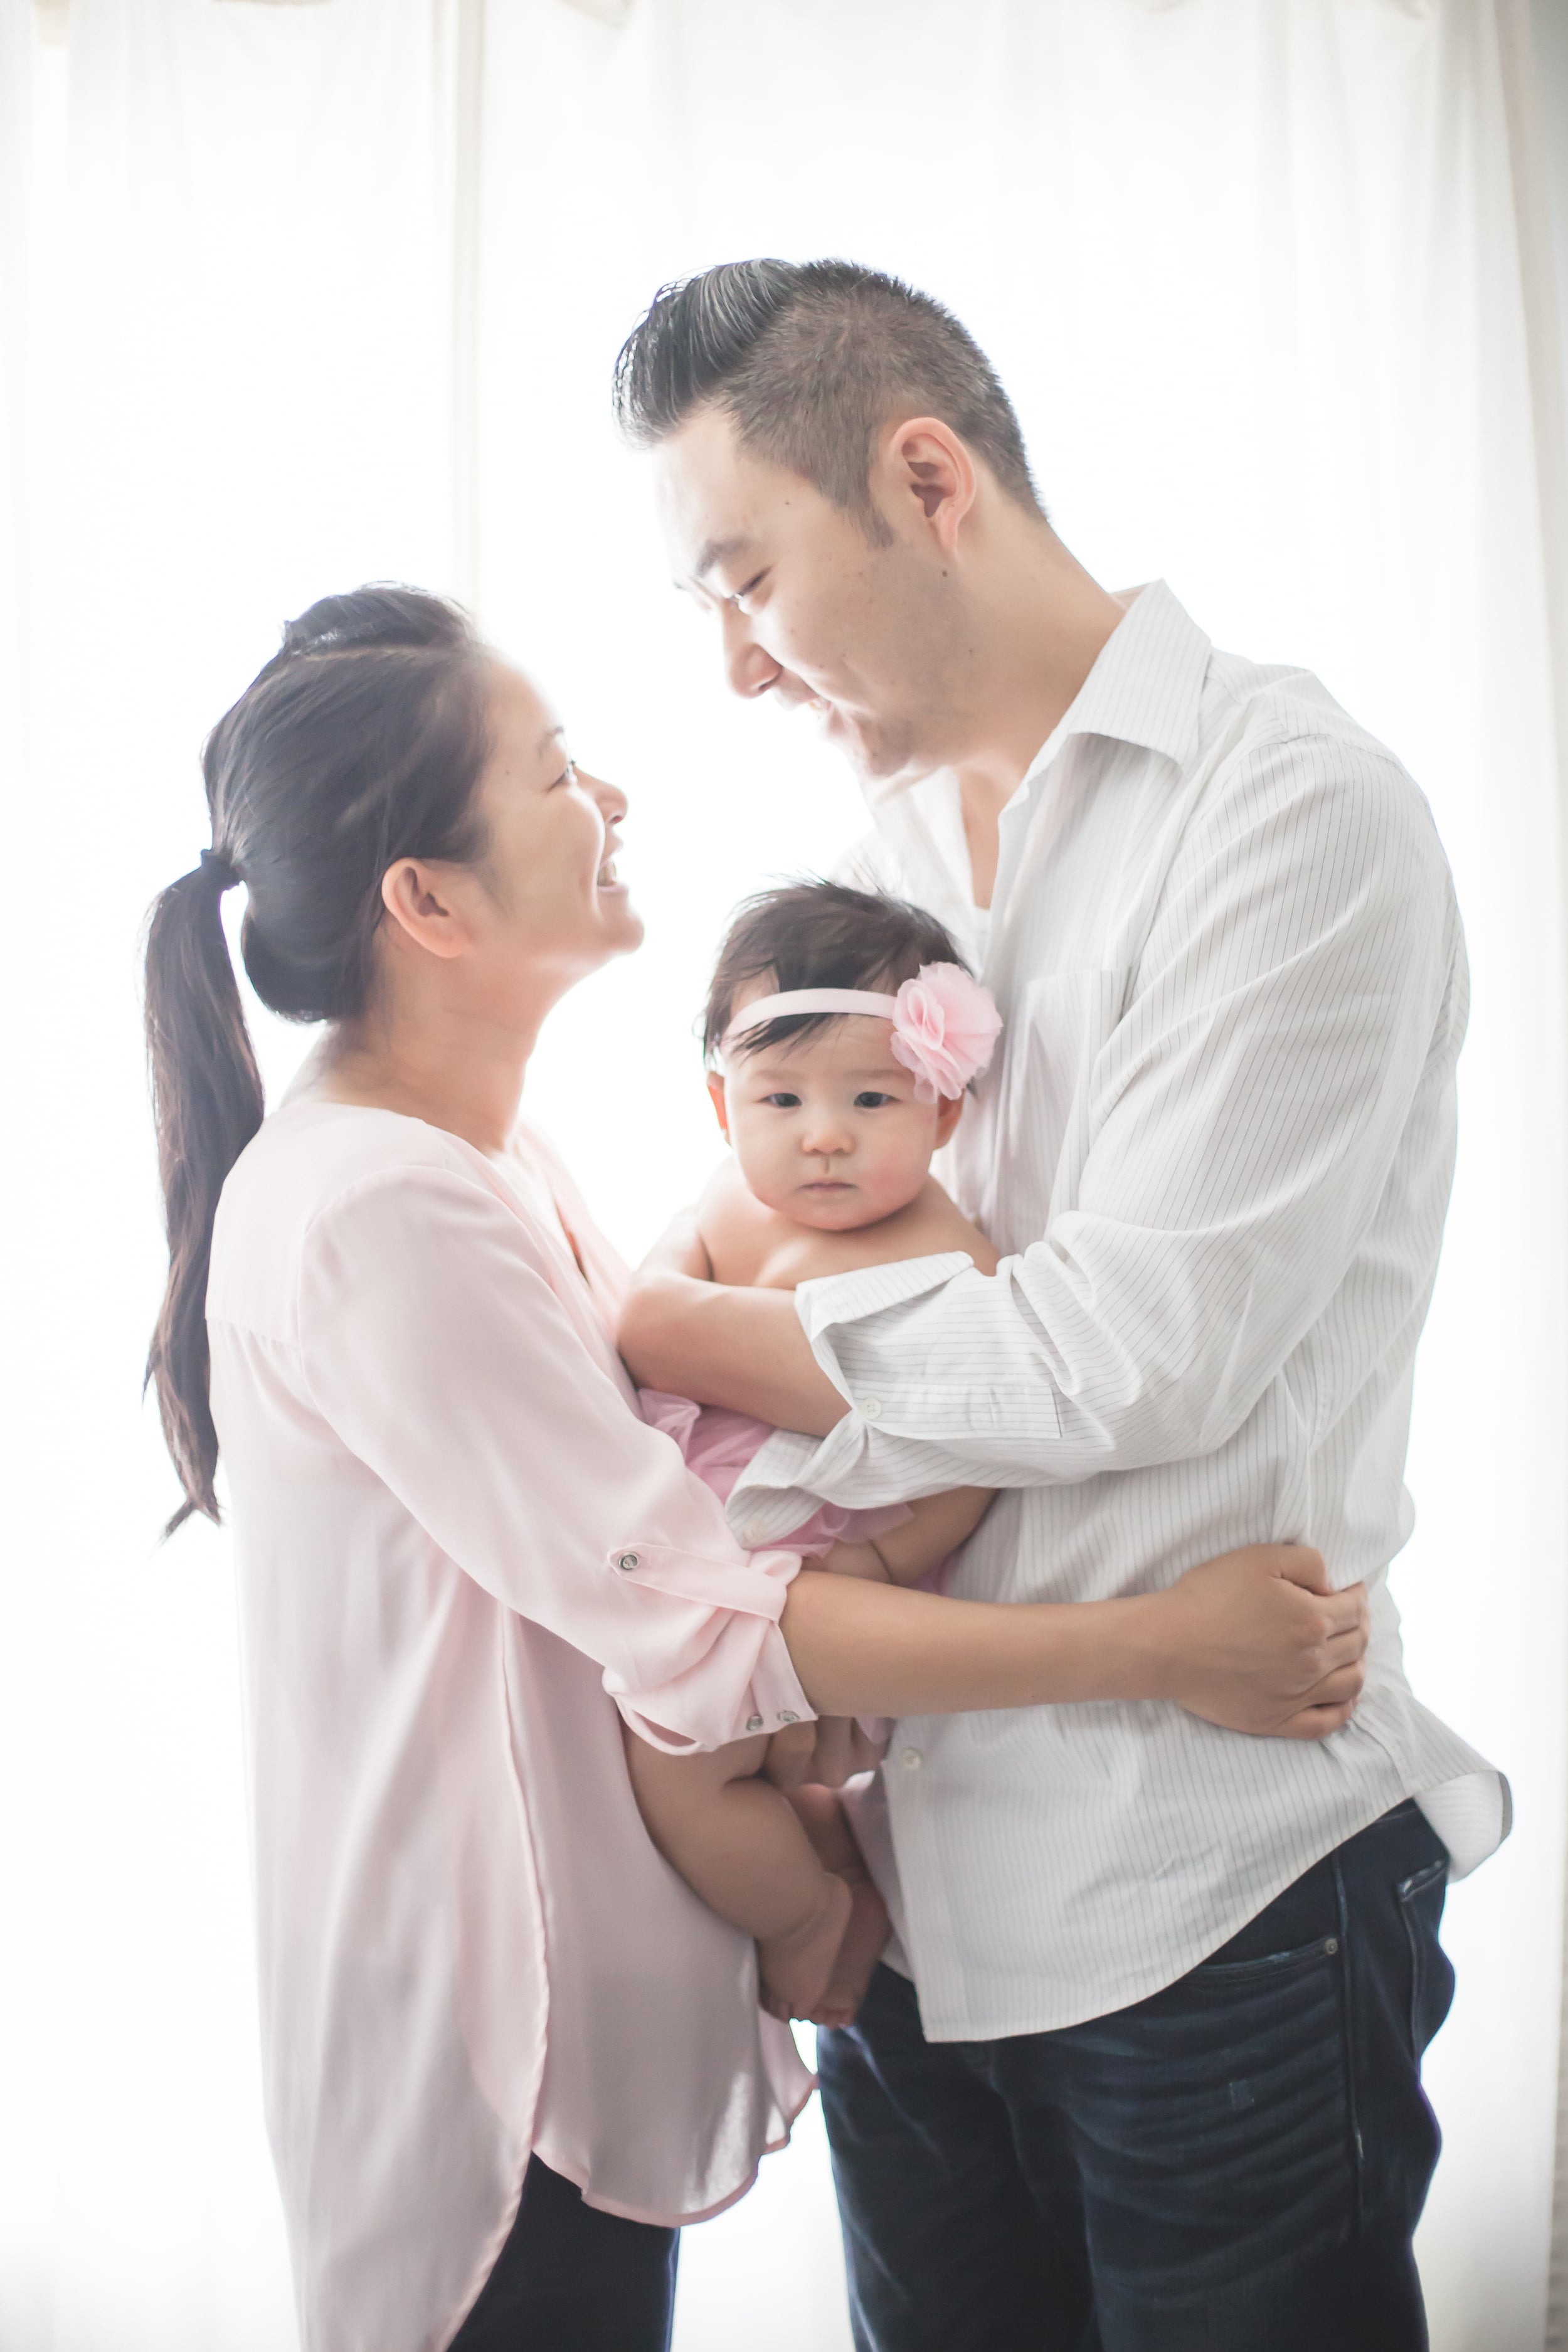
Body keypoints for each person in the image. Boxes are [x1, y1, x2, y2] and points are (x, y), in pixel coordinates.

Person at [141, 586, 1367, 2352]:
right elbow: (707, 1620)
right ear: (425, 900)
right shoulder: (378, 1204)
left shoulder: (483, 1160)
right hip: (491, 2065)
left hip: (557, 2034)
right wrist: (1164, 1642)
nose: (611, 798)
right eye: (557, 770)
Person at [612, 258, 1510, 2351]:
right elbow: (812, 1222)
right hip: (917, 1895)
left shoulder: (1288, 812)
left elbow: (1132, 1350)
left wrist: (658, 1331)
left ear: (925, 479)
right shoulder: (893, 847)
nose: (740, 668)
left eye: (749, 581)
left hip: (1207, 1891)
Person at [629, 880, 1005, 2029]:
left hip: (823, 1563)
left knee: (677, 1774)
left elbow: (981, 1442)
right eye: (779, 1096)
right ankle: (835, 1852)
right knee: (678, 1765)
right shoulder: (723, 1205)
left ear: (942, 1112)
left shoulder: (949, 1251)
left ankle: (807, 1921)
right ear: (721, 1103)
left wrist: (895, 1561)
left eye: (871, 1097)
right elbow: (645, 1297)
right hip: (701, 1539)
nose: (824, 1131)